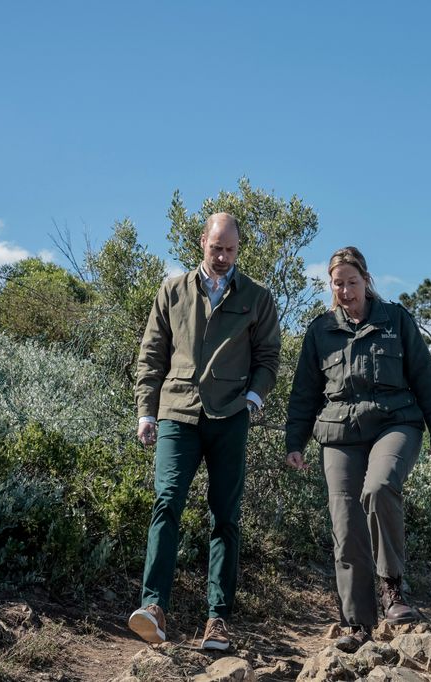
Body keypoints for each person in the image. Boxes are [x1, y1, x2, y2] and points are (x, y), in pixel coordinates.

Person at [285, 246, 431, 653]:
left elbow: (426, 378)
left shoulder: (395, 319)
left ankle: (392, 589)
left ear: (366, 279)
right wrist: (295, 442)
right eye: (337, 284)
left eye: (351, 282)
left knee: (378, 488)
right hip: (340, 433)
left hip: (396, 424)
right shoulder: (320, 330)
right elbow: (304, 393)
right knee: (345, 522)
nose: (345, 290)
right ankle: (357, 623)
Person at [128, 212, 281, 651]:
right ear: (202, 242)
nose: (222, 256)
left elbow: (268, 356)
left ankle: (218, 621)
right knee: (166, 503)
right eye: (216, 248)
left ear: (238, 249)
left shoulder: (257, 297)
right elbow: (152, 354)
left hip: (230, 416)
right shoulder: (173, 290)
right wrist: (147, 411)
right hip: (176, 413)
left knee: (225, 517)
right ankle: (154, 608)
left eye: (231, 250)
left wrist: (254, 398)